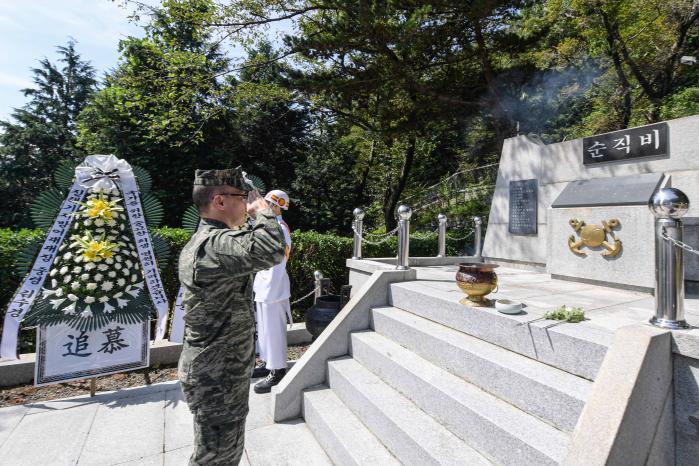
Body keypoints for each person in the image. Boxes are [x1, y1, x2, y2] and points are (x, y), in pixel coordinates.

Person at [177, 167, 286, 466]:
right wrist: (263, 212)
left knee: (224, 451)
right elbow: (272, 249)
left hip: (221, 370)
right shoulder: (213, 245)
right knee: (214, 458)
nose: (250, 202)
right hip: (216, 375)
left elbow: (253, 246)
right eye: (244, 196)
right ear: (220, 201)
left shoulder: (216, 241)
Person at [252, 190, 293, 393]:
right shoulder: (270, 224)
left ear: (277, 207)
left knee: (274, 331)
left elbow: (279, 260)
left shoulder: (280, 227)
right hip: (264, 284)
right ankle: (268, 363)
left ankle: (278, 370)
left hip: (273, 287)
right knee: (264, 330)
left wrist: (270, 286)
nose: (266, 205)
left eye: (269, 203)